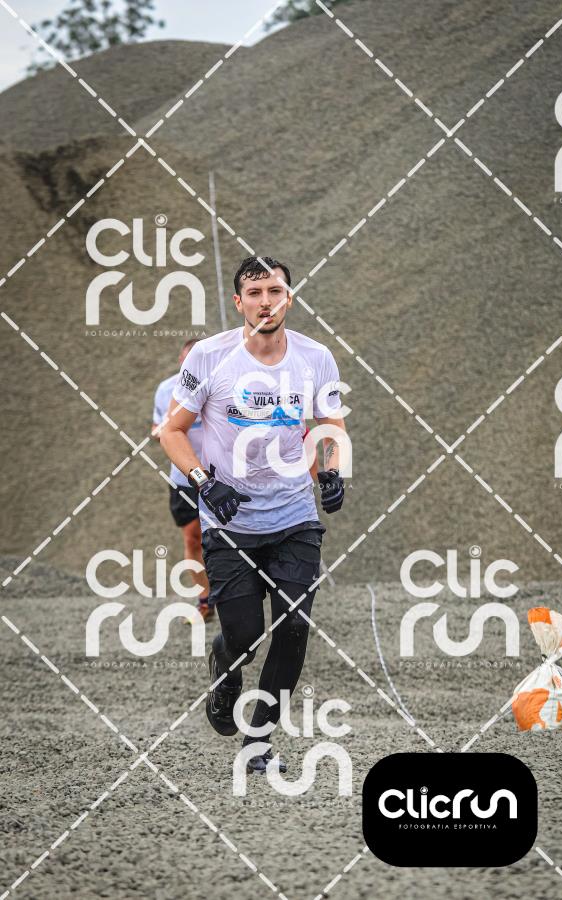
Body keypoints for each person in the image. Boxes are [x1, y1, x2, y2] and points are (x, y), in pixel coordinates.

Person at [160, 256, 346, 774]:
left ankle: (258, 742)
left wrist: (332, 471)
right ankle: (226, 665)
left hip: (294, 516)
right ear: (239, 301)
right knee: (243, 635)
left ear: (290, 297)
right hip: (230, 521)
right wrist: (205, 482)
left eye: (275, 291)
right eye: (256, 293)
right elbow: (171, 431)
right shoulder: (209, 356)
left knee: (293, 626)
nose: (266, 302)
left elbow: (331, 425)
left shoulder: (316, 357)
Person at [152, 338, 212, 620]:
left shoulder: (220, 385)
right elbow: (157, 428)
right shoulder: (166, 389)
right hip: (184, 477)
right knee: (193, 539)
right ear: (181, 361)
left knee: (229, 539)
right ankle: (205, 601)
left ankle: (235, 598)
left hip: (220, 475)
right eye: (188, 361)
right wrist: (164, 430)